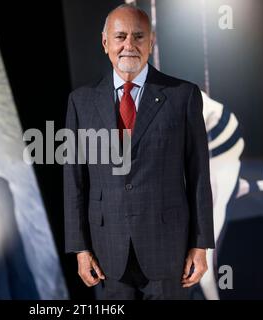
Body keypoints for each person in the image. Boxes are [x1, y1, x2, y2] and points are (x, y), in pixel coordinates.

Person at [64, 4, 215, 300]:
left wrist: (200, 244)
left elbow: (199, 175)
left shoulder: (183, 96)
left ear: (152, 41)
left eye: (138, 37)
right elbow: (74, 180)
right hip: (107, 252)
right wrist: (80, 248)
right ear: (105, 42)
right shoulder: (80, 102)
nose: (128, 46)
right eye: (120, 36)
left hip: (169, 251)